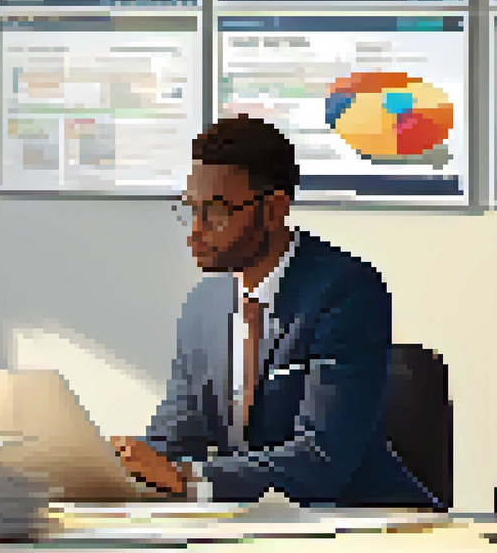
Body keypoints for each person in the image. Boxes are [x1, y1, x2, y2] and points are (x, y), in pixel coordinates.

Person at [109, 114, 439, 507]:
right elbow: (176, 435)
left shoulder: (345, 290)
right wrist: (117, 463)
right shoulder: (203, 305)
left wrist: (186, 477)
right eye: (190, 209)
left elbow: (321, 459)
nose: (196, 229)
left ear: (274, 209)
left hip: (367, 524)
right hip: (259, 525)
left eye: (216, 211)